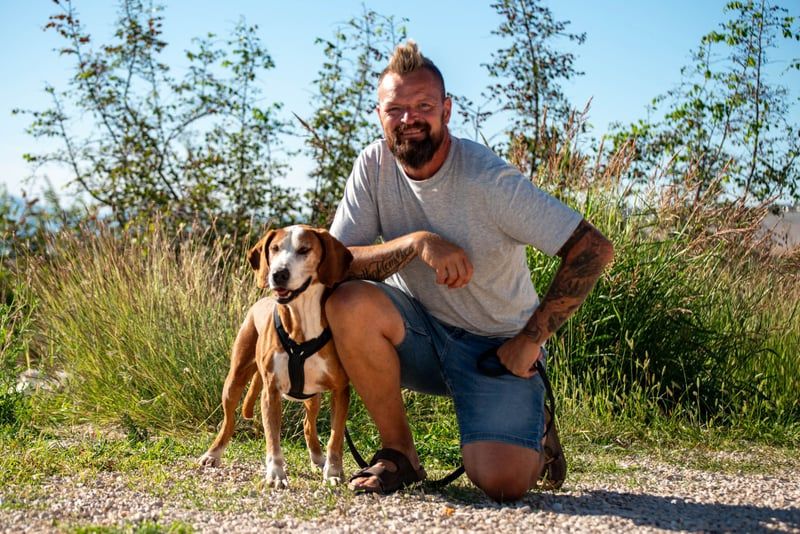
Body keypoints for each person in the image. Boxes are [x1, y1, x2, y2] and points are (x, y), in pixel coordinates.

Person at [326, 40, 614, 502]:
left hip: (497, 348)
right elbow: (332, 264)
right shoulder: (373, 165)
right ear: (378, 114)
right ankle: (399, 453)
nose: (408, 118)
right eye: (395, 109)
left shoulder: (488, 180)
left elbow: (593, 249)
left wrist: (530, 341)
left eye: (423, 106)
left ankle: (535, 423)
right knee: (347, 301)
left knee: (502, 482)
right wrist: (417, 243)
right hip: (417, 336)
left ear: (447, 110)